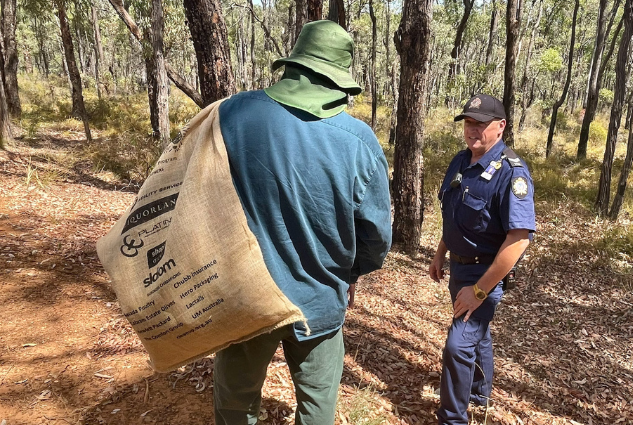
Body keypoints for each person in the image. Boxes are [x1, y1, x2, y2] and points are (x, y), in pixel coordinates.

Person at [212, 20, 392, 425]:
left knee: (235, 403)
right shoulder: (359, 141)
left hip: (247, 296)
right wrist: (352, 274)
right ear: (339, 79)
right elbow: (377, 236)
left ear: (293, 64)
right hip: (321, 299)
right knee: (316, 405)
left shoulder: (233, 113)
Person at [428, 93, 535, 424]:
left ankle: (452, 418)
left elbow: (519, 239)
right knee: (479, 332)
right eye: (468, 123)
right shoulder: (461, 161)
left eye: (480, 124)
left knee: (458, 345)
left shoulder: (512, 174)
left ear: (500, 126)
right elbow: (454, 214)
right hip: (458, 267)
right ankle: (478, 392)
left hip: (484, 274)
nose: (472, 130)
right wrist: (440, 253)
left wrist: (479, 291)